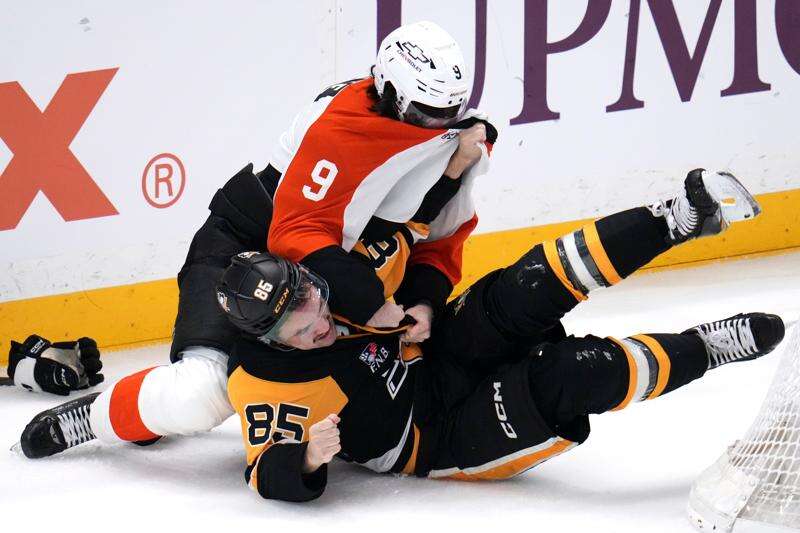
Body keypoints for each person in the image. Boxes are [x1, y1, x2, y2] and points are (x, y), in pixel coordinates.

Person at [21, 170, 784, 505]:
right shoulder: (267, 381)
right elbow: (267, 474)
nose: (320, 316)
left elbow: (423, 239)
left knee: (531, 280)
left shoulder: (330, 271)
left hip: (438, 348)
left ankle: (676, 216)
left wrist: (421, 294)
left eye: (310, 294)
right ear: (273, 340)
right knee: (575, 375)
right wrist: (305, 459)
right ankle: (704, 347)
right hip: (437, 432)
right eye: (300, 323)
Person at [9, 21, 495, 439]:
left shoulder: (450, 143)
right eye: (424, 112)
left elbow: (440, 240)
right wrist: (373, 305)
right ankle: (94, 418)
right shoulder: (340, 128)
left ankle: (147, 406)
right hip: (244, 254)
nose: (435, 125)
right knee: (201, 393)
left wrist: (424, 301)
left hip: (318, 281)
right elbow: (295, 234)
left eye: (448, 113)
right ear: (388, 91)